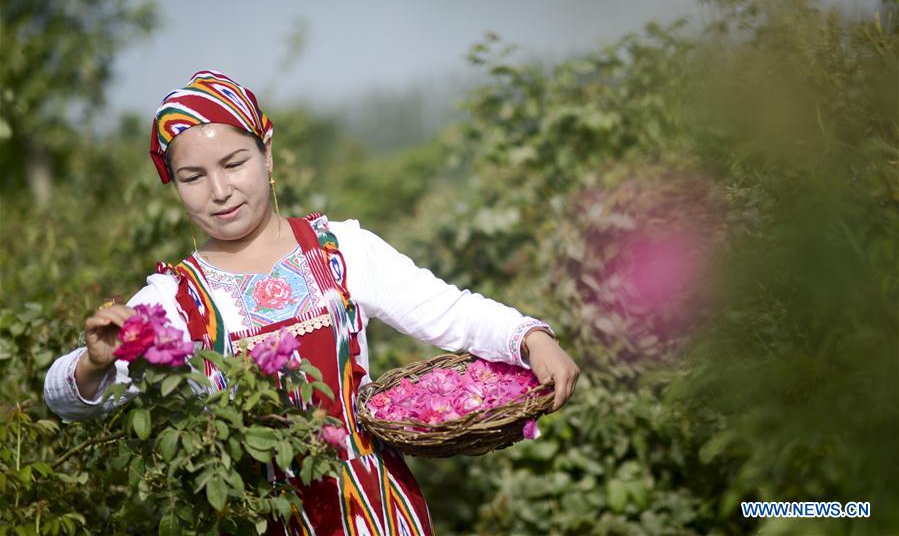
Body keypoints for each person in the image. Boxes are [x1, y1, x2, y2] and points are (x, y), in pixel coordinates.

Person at [44, 70, 580, 535]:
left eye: (234, 163)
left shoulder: (340, 250)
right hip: (258, 514)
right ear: (175, 186)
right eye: (193, 177)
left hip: (376, 511)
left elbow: (449, 311)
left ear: (267, 153)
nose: (219, 190)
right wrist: (95, 362)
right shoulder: (176, 298)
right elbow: (63, 399)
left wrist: (530, 337)